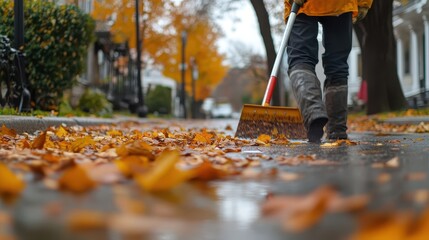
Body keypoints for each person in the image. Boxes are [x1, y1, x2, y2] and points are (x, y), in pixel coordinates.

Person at [284, 0, 373, 142]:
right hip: (341, 4)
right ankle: (337, 130)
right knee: (337, 64)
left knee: (300, 58)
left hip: (304, 5)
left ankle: (313, 112)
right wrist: (364, 3)